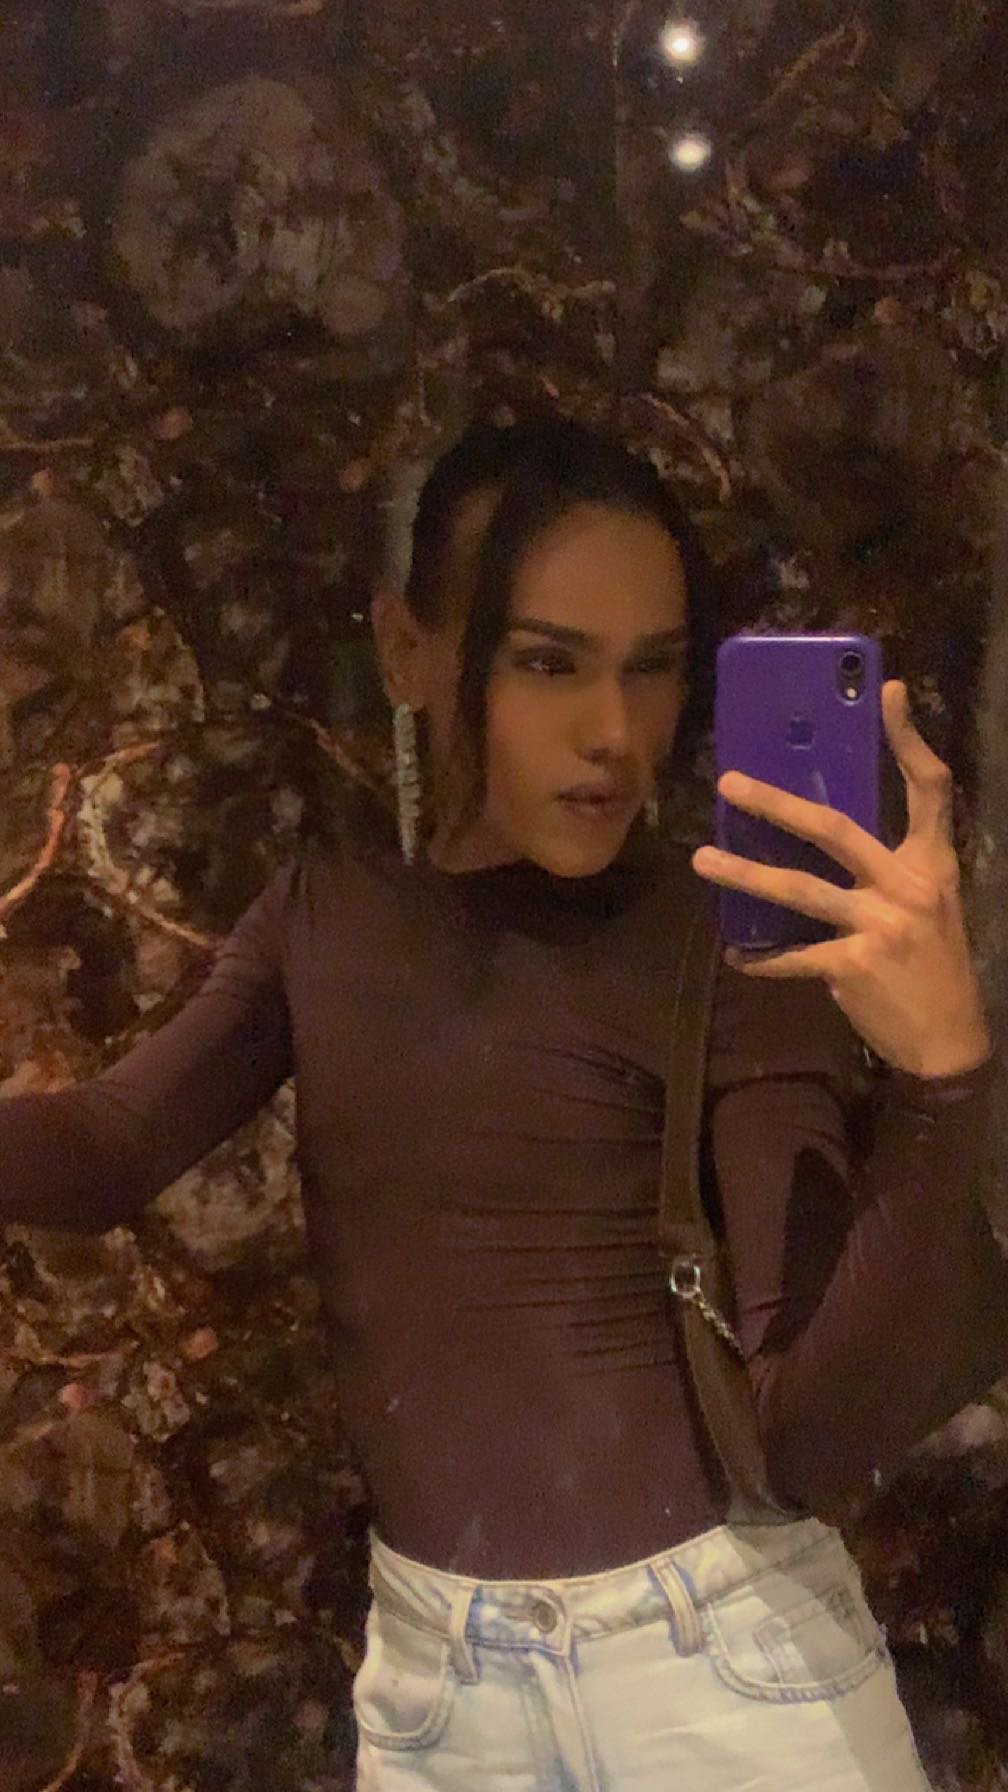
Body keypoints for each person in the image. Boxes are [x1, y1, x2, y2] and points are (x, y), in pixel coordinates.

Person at [1, 414, 1006, 1791]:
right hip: (442, 1703)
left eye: (652, 668)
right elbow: (111, 1148)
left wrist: (946, 1083)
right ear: (407, 650)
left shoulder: (724, 943)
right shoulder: (324, 919)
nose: (613, 733)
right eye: (549, 662)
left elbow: (817, 1437)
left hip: (724, 1677)